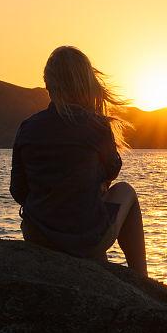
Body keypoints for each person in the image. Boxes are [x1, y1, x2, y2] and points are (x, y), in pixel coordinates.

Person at [10, 46, 147, 277]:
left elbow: (18, 190)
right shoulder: (96, 126)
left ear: (48, 85)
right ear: (87, 83)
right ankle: (142, 279)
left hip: (37, 237)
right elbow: (113, 169)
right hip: (86, 239)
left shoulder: (28, 127)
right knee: (126, 191)